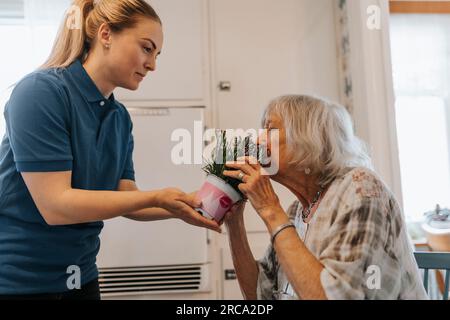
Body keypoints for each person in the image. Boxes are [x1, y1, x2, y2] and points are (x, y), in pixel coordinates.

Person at [0, 0, 220, 299]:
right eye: (146, 48)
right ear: (106, 35)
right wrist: (158, 196)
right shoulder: (40, 92)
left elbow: (125, 196)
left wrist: (182, 205)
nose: (153, 64)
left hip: (81, 275)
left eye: (157, 54)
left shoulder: (118, 117)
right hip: (20, 281)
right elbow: (55, 205)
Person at [223, 94, 427, 300]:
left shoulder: (361, 189)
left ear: (308, 138)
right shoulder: (297, 211)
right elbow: (260, 294)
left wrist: (270, 209)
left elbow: (337, 296)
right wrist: (234, 223)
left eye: (271, 130)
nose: (258, 141)